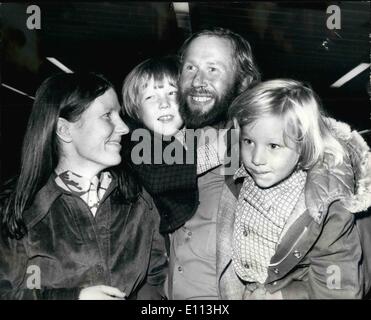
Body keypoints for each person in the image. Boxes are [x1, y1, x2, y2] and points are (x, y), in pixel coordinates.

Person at [0, 72, 168, 300]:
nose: (123, 128)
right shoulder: (18, 208)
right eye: (108, 115)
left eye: (119, 115)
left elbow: (156, 278)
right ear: (64, 130)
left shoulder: (137, 198)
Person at [217, 79, 371, 299]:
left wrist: (281, 296)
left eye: (273, 146)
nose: (256, 159)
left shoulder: (328, 207)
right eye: (248, 141)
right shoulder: (239, 176)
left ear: (304, 145)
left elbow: (338, 290)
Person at [167, 27, 261, 300]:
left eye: (213, 69)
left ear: (244, 82)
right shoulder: (159, 150)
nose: (198, 81)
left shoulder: (265, 162)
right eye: (190, 67)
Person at [121, 56, 221, 235]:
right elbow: (159, 175)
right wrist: (217, 152)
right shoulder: (138, 144)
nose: (164, 104)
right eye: (150, 97)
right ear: (137, 111)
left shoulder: (201, 133)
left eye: (172, 93)